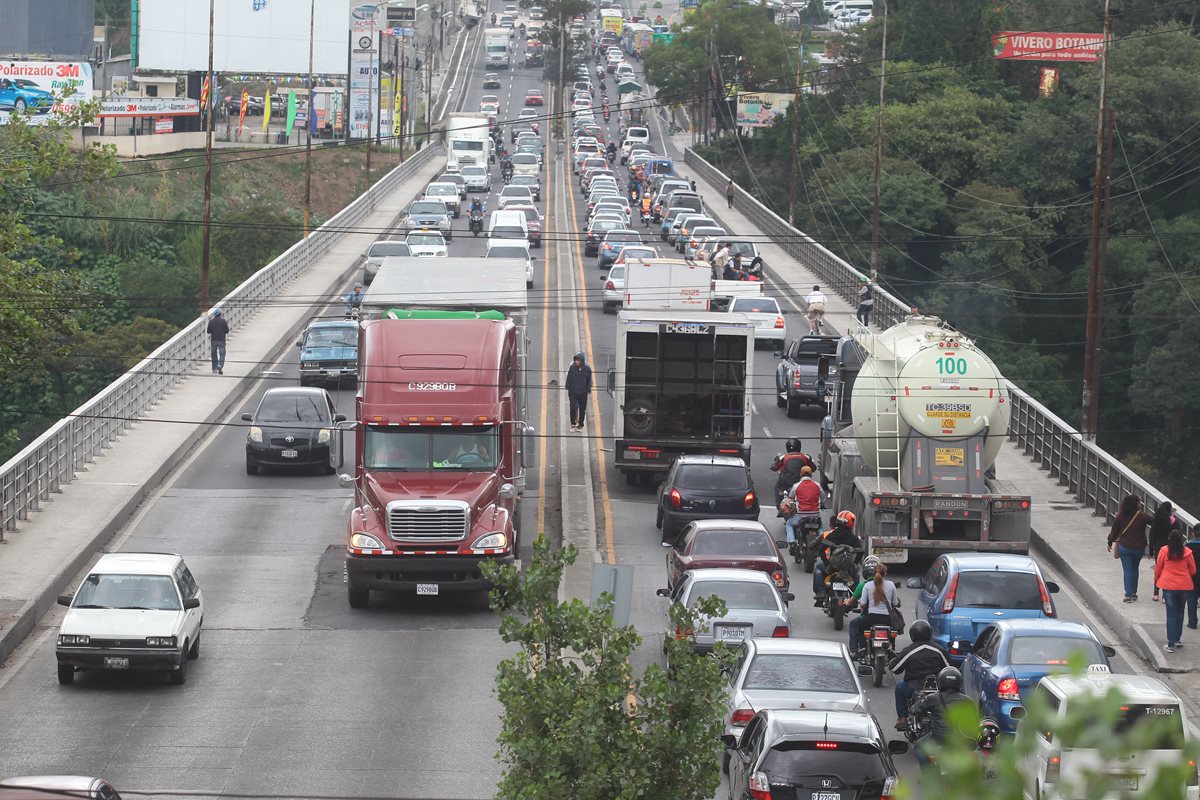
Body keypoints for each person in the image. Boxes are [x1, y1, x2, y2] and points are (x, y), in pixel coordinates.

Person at [889, 619, 950, 730]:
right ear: (929, 633)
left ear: (912, 634)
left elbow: (895, 668)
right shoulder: (939, 650)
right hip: (937, 688)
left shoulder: (909, 650)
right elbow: (950, 669)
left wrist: (892, 659)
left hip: (914, 688)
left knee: (899, 687)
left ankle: (902, 719)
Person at [911, 666, 974, 767]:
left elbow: (915, 709)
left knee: (919, 746)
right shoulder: (968, 701)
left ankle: (927, 773)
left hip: (938, 738)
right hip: (960, 739)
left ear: (940, 681)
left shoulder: (933, 698)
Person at [1107, 493, 1155, 602]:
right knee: (1134, 568)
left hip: (1124, 547)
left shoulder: (1120, 515)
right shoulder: (1143, 516)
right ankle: (1133, 592)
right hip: (1138, 548)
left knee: (1127, 570)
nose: (1140, 504)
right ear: (1136, 504)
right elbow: (1155, 523)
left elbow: (1114, 530)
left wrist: (1110, 542)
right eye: (1139, 502)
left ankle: (1128, 594)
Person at [1155, 528, 1196, 653]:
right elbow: (1193, 570)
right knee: (1180, 612)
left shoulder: (1164, 551)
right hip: (1184, 586)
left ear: (1169, 539)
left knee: (1171, 614)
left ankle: (1170, 643)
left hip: (1168, 586)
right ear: (1182, 539)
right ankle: (1177, 639)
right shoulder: (1188, 552)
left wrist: (1156, 582)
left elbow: (1158, 568)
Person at [812, 511, 861, 602]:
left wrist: (827, 565)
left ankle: (821, 592)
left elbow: (821, 550)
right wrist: (854, 564)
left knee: (818, 568)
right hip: (848, 567)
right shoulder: (854, 538)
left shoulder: (832, 535)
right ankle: (855, 594)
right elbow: (861, 551)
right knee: (857, 574)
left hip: (832, 566)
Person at [858, 562, 900, 647]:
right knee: (892, 633)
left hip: (871, 618)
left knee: (859, 626)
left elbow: (862, 604)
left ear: (873, 573)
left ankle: (862, 648)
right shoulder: (891, 585)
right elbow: (895, 603)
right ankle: (892, 648)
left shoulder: (867, 585)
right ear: (885, 574)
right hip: (887, 619)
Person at [1148, 501, 1182, 601]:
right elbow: (1179, 532)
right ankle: (1164, 596)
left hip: (1159, 548)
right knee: (1167, 570)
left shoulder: (1156, 520)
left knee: (1158, 569)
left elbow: (1152, 536)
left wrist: (1151, 550)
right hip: (1170, 547)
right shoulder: (1172, 521)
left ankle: (1156, 593)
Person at [771, 437, 815, 508]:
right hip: (801, 481)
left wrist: (777, 461)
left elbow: (774, 468)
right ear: (799, 446)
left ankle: (779, 507)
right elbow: (813, 468)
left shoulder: (783, 457)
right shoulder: (806, 456)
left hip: (786, 482)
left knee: (777, 488)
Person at [565, 352, 593, 432]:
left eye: (578, 360)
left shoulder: (587, 369)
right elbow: (569, 378)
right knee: (573, 407)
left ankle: (580, 425)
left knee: (582, 409)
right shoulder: (572, 368)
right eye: (576, 360)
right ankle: (573, 424)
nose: (576, 362)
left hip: (583, 392)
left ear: (582, 361)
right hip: (573, 392)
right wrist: (568, 387)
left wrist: (588, 388)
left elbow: (589, 379)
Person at [207, 307, 229, 375]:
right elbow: (227, 330)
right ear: (220, 314)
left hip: (213, 340)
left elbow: (208, 331)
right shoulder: (223, 321)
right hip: (221, 340)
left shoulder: (211, 321)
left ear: (214, 314)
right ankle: (220, 365)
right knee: (222, 354)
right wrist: (223, 331)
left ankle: (214, 368)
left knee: (214, 354)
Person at [1186, 527, 1200, 630]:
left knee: (1192, 599)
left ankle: (1192, 622)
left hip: (1192, 576)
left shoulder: (1188, 545)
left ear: (1194, 533)